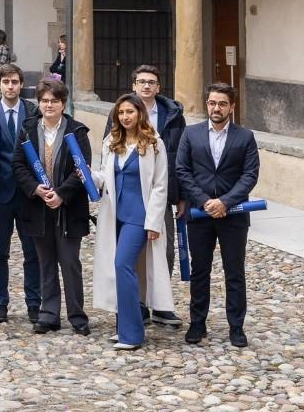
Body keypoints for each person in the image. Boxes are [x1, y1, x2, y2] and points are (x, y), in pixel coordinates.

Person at [176, 83, 260, 348]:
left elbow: (250, 175)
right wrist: (204, 201)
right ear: (207, 104)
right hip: (199, 214)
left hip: (233, 215)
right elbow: (182, 171)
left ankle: (236, 326)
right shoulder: (191, 134)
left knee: (234, 272)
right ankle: (197, 323)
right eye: (212, 103)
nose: (216, 108)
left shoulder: (245, 137)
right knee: (200, 270)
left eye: (222, 104)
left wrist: (225, 202)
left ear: (231, 107)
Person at [93, 94, 173, 351]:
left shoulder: (154, 143)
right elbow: (105, 177)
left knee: (123, 264)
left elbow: (160, 185)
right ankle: (123, 327)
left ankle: (132, 333)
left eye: (130, 111)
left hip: (139, 216)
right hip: (114, 214)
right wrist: (87, 175)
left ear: (140, 113)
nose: (125, 116)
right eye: (121, 113)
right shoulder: (111, 142)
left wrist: (154, 222)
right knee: (116, 268)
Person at [12, 79, 91, 336]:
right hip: (38, 206)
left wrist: (62, 194)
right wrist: (35, 188)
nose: (49, 105)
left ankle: (77, 315)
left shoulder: (77, 131)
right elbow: (18, 164)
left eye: (54, 101)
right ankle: (49, 314)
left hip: (68, 208)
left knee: (70, 263)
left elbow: (82, 168)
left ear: (63, 104)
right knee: (45, 262)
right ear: (38, 103)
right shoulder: (27, 130)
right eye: (44, 101)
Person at [121, 64, 186, 327]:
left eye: (151, 82)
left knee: (164, 249)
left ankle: (160, 304)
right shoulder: (123, 112)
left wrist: (181, 195)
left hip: (163, 192)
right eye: (141, 82)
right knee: (134, 252)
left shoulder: (173, 115)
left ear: (158, 87)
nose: (146, 86)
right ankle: (138, 303)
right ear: (134, 86)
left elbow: (181, 156)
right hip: (131, 195)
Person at [0, 63, 40, 325]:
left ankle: (34, 303)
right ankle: (0, 303)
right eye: (6, 82)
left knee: (32, 252)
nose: (10, 86)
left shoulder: (33, 112)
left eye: (15, 82)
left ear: (21, 84)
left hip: (29, 193)